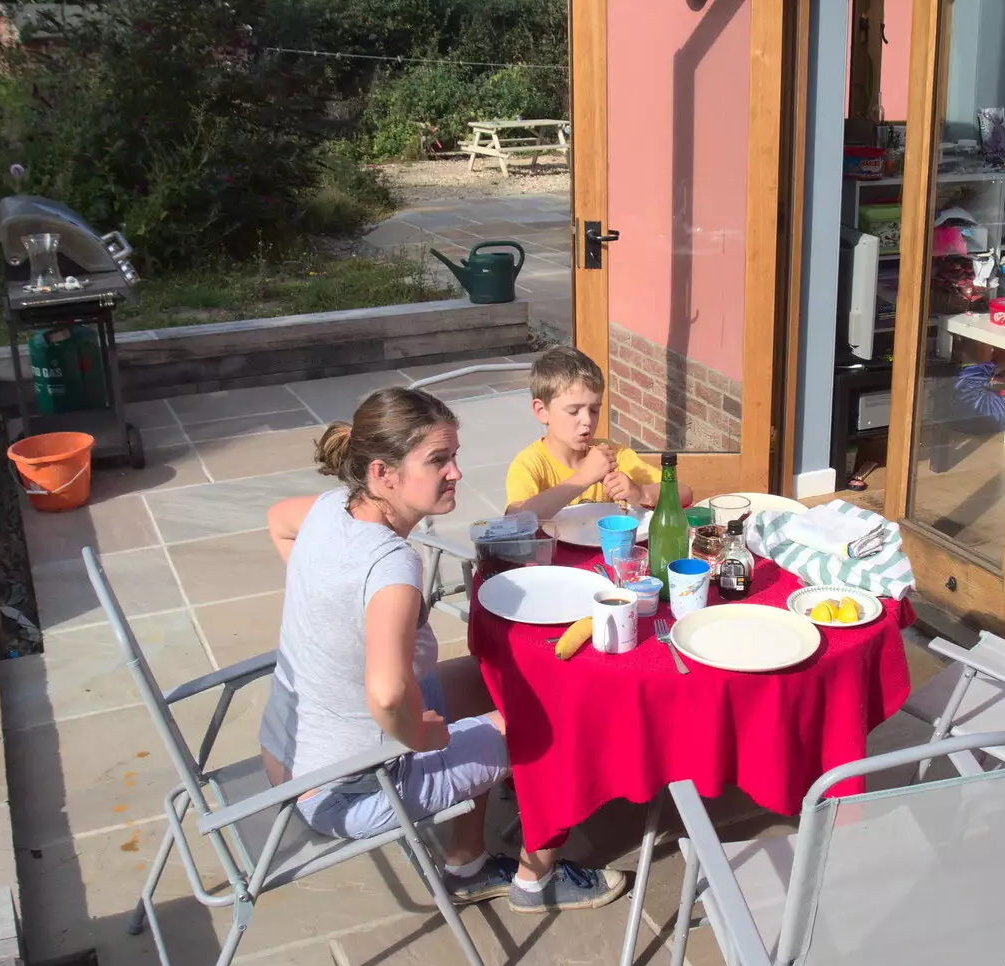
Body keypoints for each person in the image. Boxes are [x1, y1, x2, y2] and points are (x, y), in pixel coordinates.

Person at [257, 385, 627, 913]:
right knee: (561, 724)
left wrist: (331, 608)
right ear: (383, 474)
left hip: (288, 756)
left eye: (453, 455)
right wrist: (422, 735)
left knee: (487, 679)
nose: (455, 471)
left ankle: (467, 861)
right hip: (350, 791)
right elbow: (386, 695)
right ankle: (535, 881)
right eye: (438, 461)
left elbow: (277, 520)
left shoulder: (328, 509)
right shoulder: (390, 566)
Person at [504, 346, 695, 518]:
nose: (587, 420)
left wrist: (641, 493)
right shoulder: (530, 464)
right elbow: (516, 519)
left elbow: (684, 492)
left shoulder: (613, 455)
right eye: (573, 411)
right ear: (542, 411)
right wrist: (584, 477)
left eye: (594, 410)